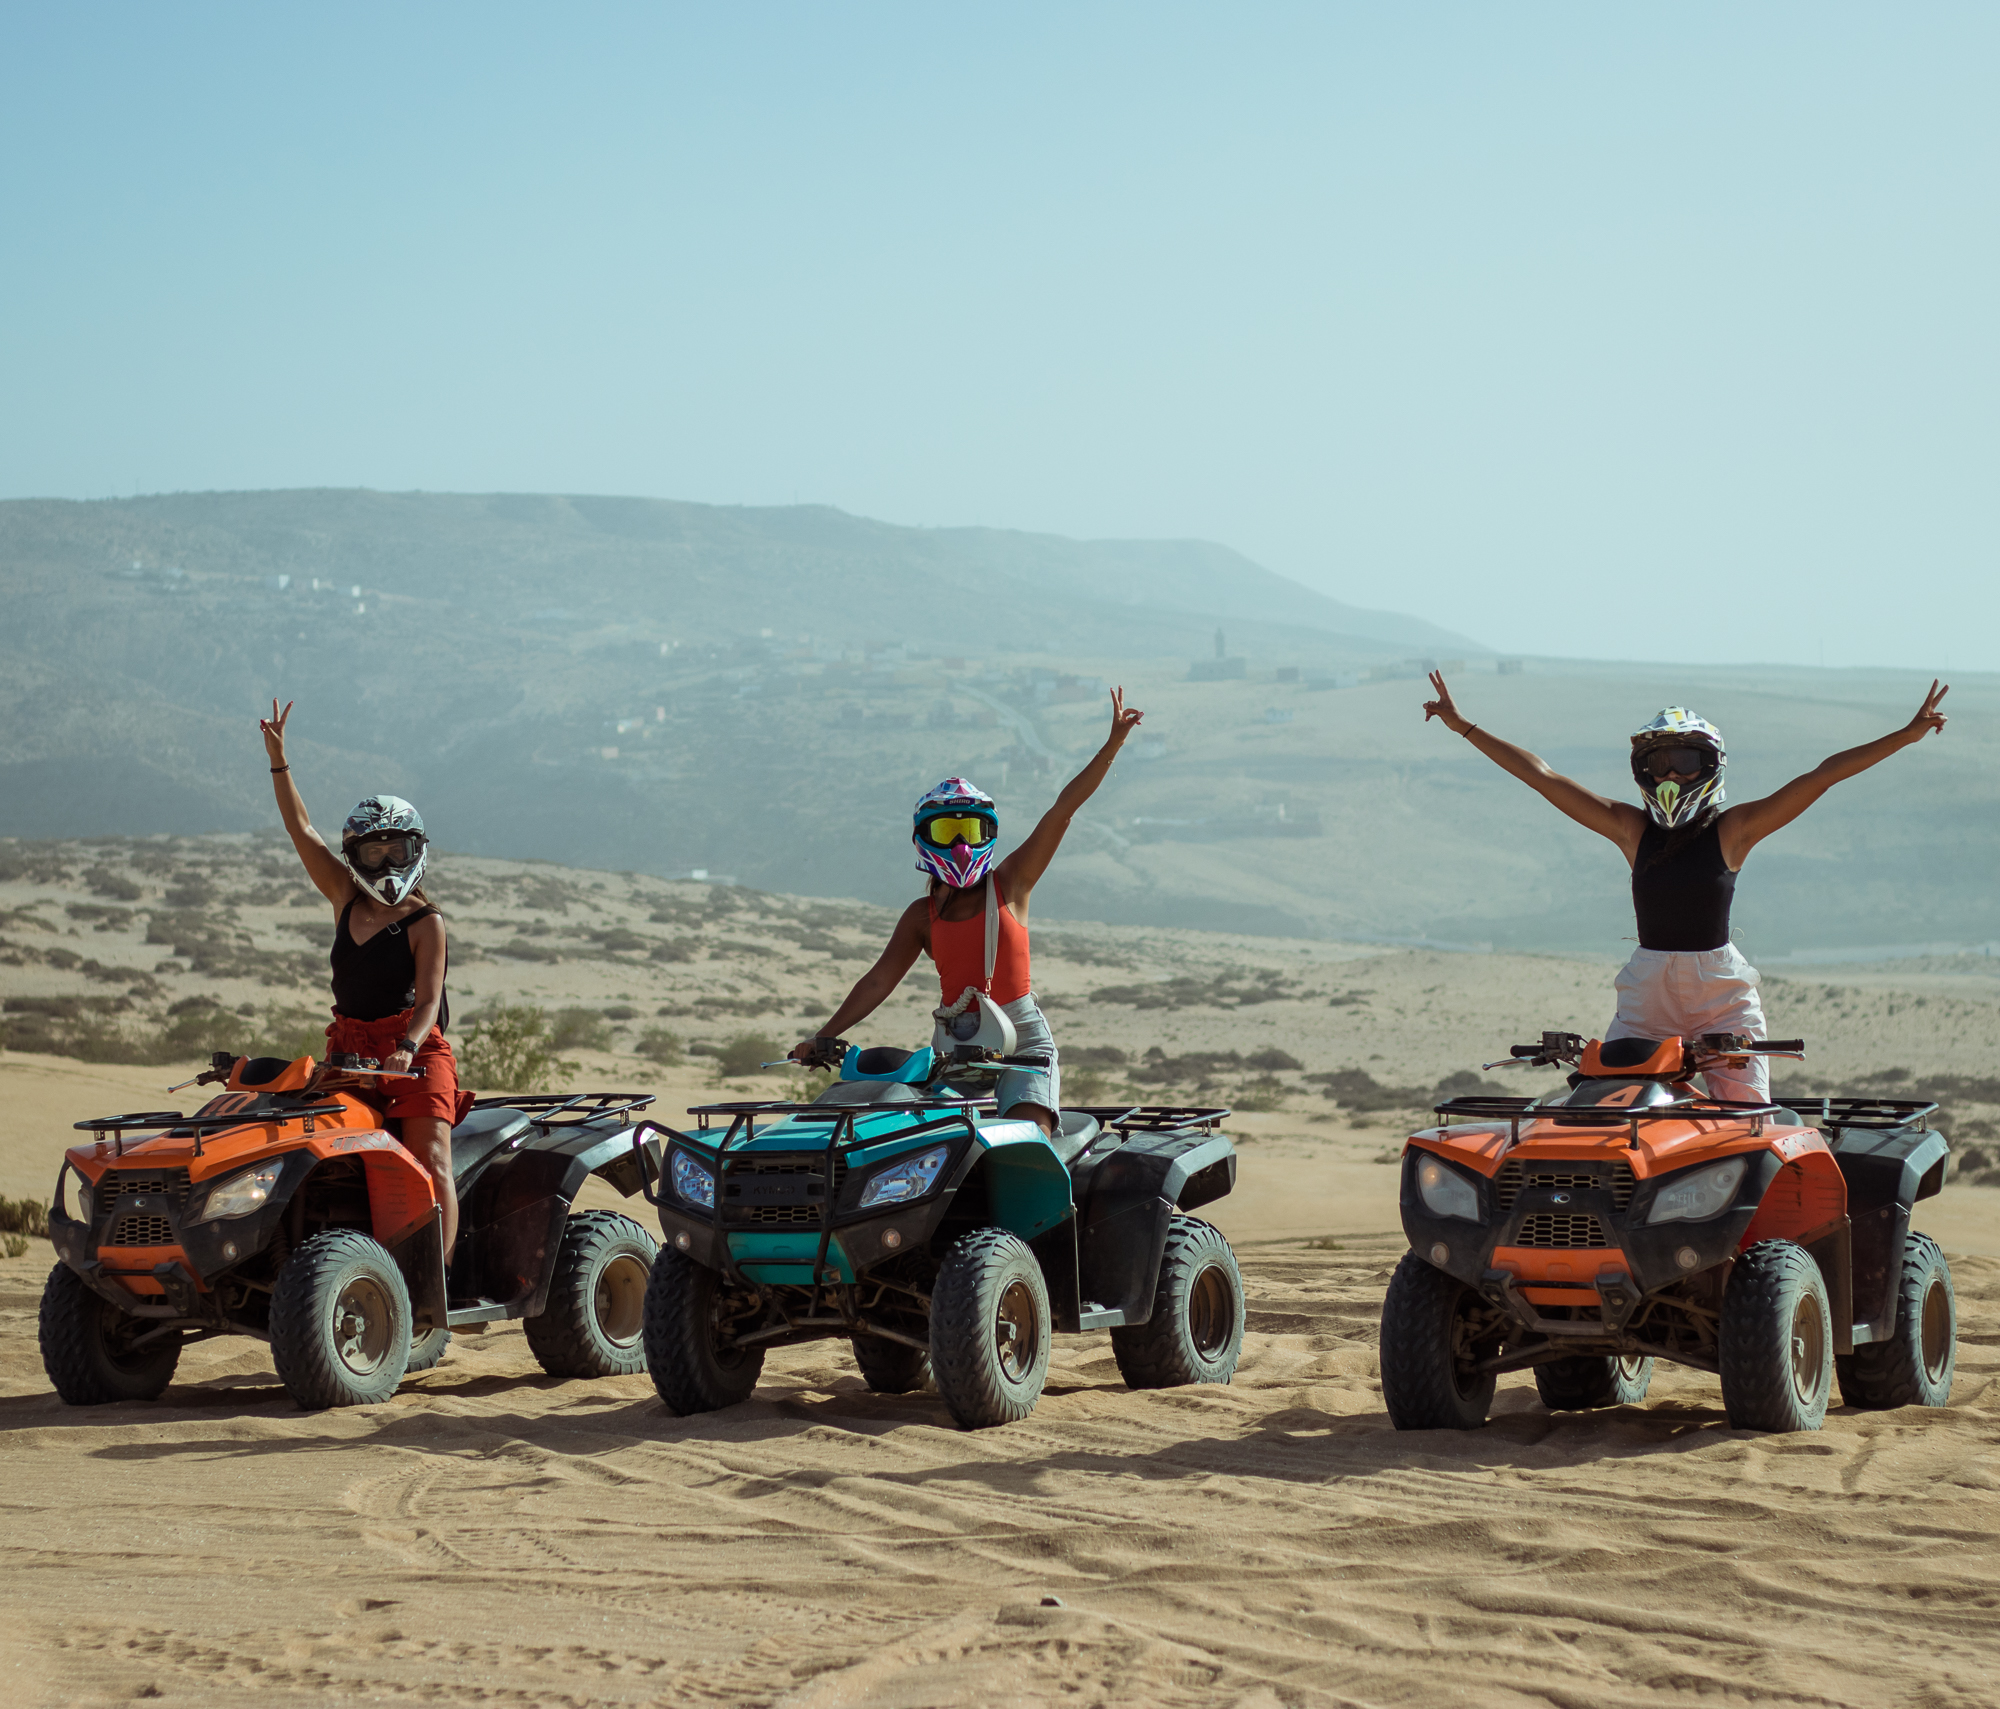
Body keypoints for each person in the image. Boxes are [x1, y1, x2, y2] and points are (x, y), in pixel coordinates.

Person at [1420, 673, 1950, 1102]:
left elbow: (1821, 775)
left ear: (1712, 766)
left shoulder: (1734, 830)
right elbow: (1543, 776)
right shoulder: (1632, 830)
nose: (1671, 774)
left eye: (1686, 761)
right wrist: (1464, 727)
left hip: (1721, 996)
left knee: (1746, 1123)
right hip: (1646, 995)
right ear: (1641, 771)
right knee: (1606, 1110)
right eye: (1659, 762)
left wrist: (1905, 735)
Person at [790, 687, 1146, 1130]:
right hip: (955, 1041)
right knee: (926, 1146)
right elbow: (879, 979)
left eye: (971, 828)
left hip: (1021, 1039)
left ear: (988, 833)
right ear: (925, 836)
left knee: (1026, 1144)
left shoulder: (1010, 884)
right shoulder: (922, 916)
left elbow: (1062, 810)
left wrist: (1112, 744)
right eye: (947, 829)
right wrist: (826, 1036)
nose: (961, 843)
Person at [259, 699, 464, 1254]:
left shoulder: (426, 921)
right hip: (349, 1051)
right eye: (372, 852)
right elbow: (301, 829)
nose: (385, 863)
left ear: (415, 850)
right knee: (305, 1144)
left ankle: (433, 1286)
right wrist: (280, 762)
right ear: (355, 856)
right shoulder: (344, 899)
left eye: (395, 849)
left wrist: (405, 1047)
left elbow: (429, 1002)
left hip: (415, 1057)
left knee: (433, 1161)